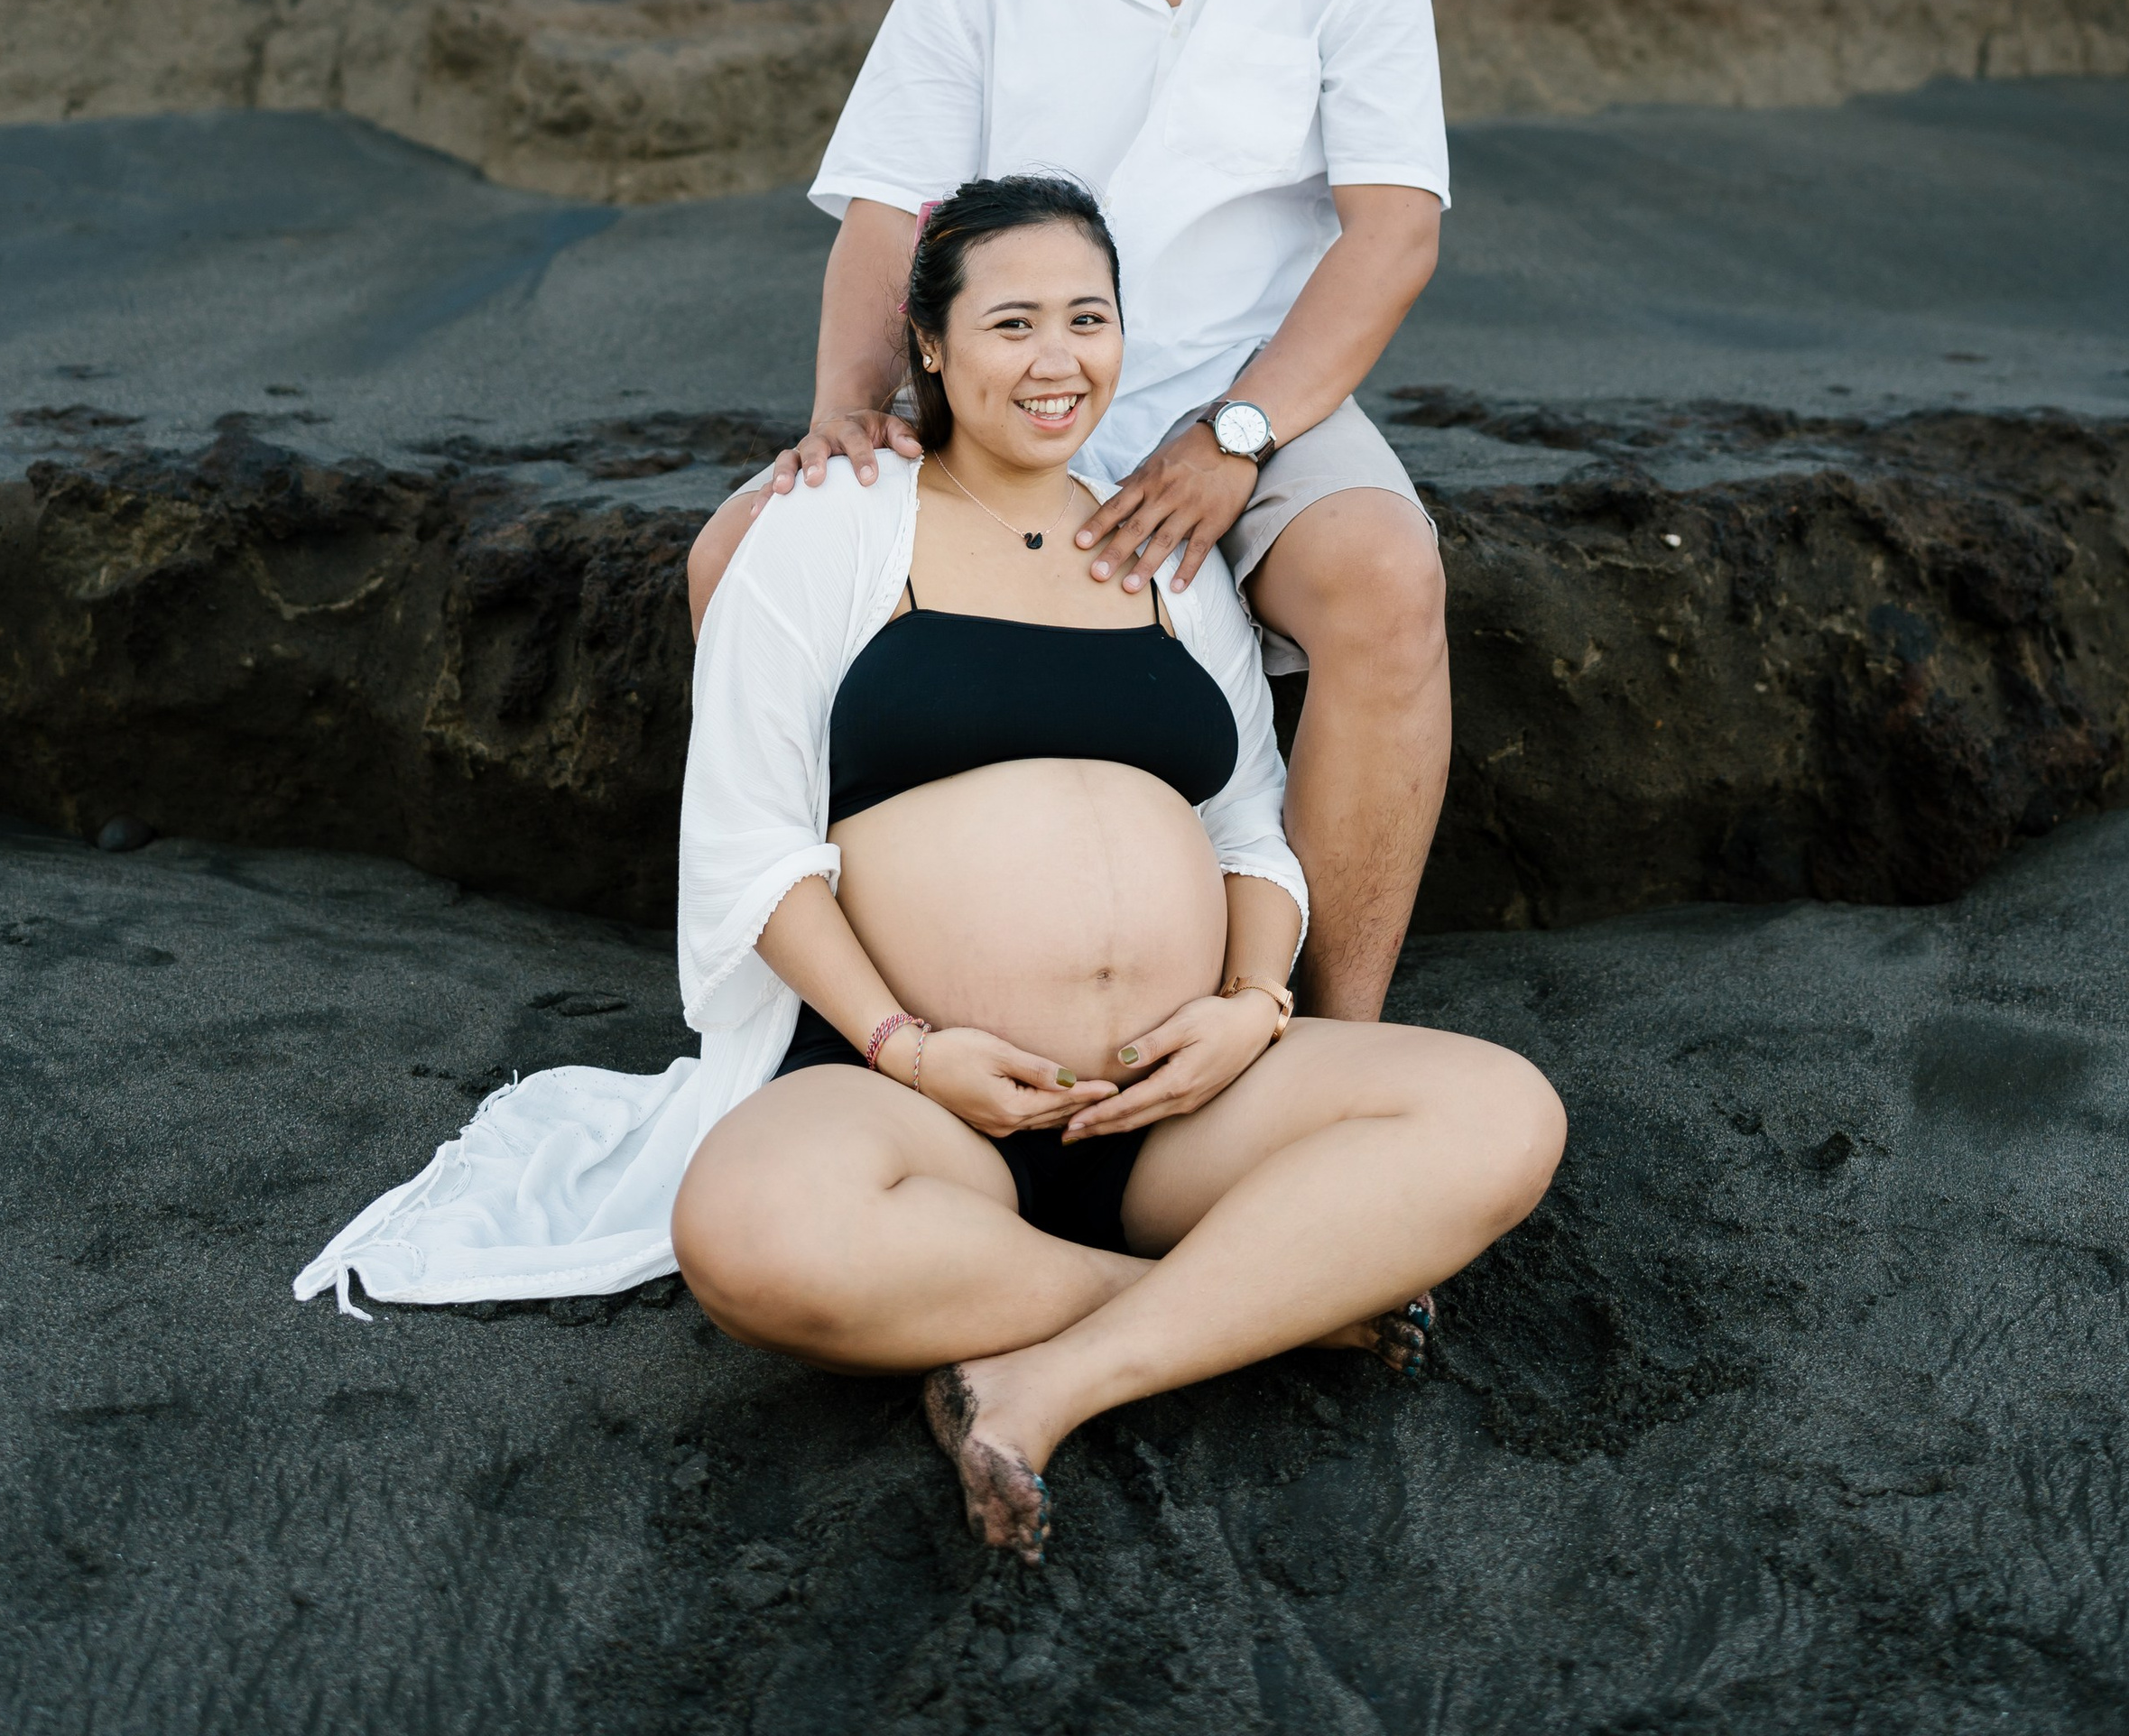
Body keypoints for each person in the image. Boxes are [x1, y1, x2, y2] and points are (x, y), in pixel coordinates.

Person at [668, 175, 1563, 1562]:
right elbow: (747, 844)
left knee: (1502, 1113)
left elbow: (1250, 835)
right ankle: (1258, 1301)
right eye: (1012, 321)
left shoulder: (1160, 548)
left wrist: (1254, 1007)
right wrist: (909, 1050)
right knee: (747, 1233)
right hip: (925, 1111)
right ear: (930, 344)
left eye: (1089, 319)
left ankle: (1048, 1377)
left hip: (1171, 1106)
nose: (1055, 359)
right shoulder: (831, 528)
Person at [689, 0, 1451, 1020]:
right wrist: (849, 421)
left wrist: (1238, 432)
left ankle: (1332, 1033)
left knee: (1387, 581)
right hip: (1005, 391)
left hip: (1259, 393)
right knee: (740, 557)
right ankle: (841, 994)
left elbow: (1393, 232)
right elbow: (887, 207)